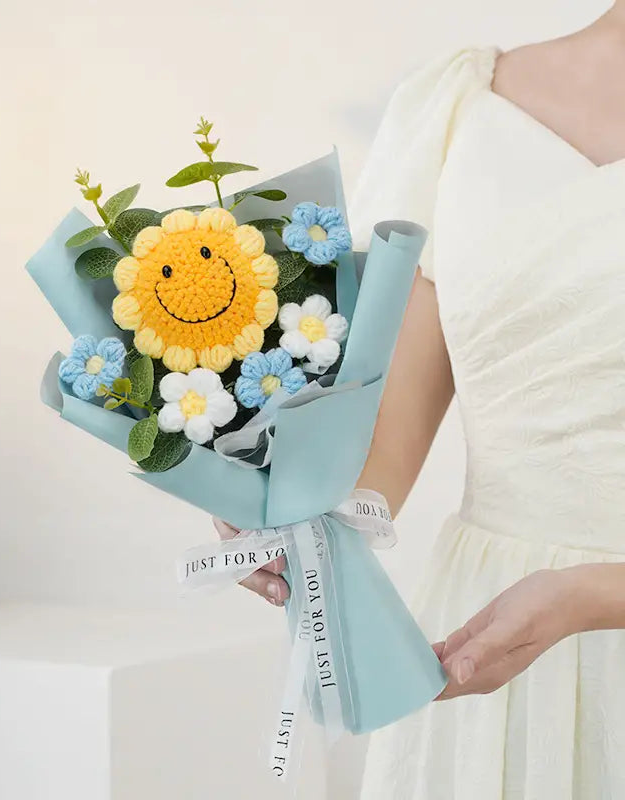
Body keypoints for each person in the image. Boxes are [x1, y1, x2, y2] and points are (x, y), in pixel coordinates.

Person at [214, 6, 625, 797]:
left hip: (525, 623)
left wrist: (593, 595)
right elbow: (382, 454)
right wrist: (278, 507)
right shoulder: (459, 107)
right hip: (495, 657)